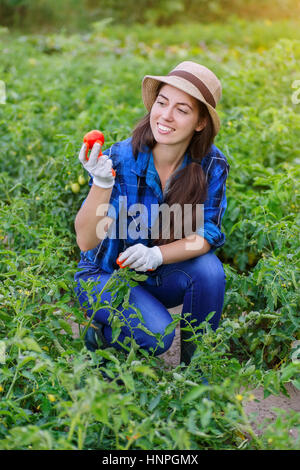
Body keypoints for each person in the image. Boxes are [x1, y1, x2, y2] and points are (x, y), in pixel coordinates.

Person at [74, 61, 229, 369]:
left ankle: (196, 372)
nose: (166, 116)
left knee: (210, 271)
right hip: (102, 277)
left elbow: (208, 232)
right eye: (162, 102)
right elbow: (86, 240)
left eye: (182, 110)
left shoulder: (212, 165)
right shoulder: (120, 158)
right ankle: (99, 335)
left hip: (154, 275)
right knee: (156, 335)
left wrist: (157, 254)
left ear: (200, 123)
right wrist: (102, 184)